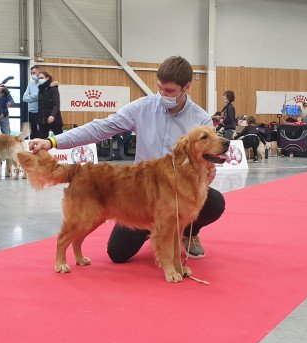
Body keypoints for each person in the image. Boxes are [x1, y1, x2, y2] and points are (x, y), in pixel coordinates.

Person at [29, 56, 225, 261]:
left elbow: (208, 160)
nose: (163, 95)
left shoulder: (200, 119)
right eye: (160, 88)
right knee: (117, 254)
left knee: (214, 202)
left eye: (170, 91)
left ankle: (187, 232)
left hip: (180, 190)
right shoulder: (142, 107)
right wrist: (52, 142)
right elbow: (100, 128)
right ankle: (160, 229)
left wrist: (209, 170)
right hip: (143, 194)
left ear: (187, 87)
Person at [36, 71, 63, 138]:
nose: (40, 80)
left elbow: (56, 104)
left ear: (47, 78)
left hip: (54, 119)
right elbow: (40, 106)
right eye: (38, 78)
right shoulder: (40, 90)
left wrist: (52, 116)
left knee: (60, 138)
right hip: (43, 120)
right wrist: (39, 122)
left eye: (42, 78)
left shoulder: (53, 89)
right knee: (42, 138)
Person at [23, 65, 41, 139]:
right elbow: (24, 98)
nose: (32, 75)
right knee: (33, 132)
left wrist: (30, 97)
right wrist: (35, 97)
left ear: (39, 72)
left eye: (34, 73)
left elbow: (40, 95)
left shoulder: (42, 83)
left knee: (41, 132)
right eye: (31, 73)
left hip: (40, 112)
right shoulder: (30, 85)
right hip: (31, 112)